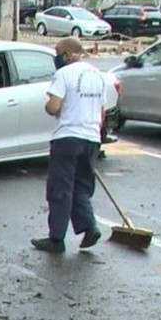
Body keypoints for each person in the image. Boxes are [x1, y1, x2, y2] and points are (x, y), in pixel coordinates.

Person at [32, 37, 109, 253]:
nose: (56, 57)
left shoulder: (64, 74)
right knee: (82, 186)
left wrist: (50, 105)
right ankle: (89, 226)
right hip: (92, 137)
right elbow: (102, 113)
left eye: (58, 52)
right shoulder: (98, 76)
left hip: (67, 137)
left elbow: (53, 107)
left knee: (60, 189)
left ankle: (56, 239)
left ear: (67, 54)